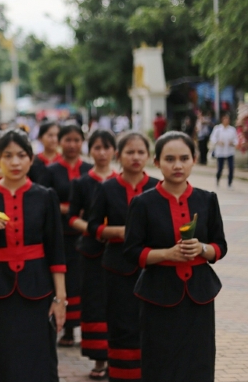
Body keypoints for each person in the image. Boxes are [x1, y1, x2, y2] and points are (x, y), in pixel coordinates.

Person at [123, 131, 227, 382]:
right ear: (157, 162)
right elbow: (132, 252)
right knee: (160, 360)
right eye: (169, 159)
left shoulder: (207, 200)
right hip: (158, 294)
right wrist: (166, 254)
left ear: (194, 159)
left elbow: (220, 246)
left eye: (184, 158)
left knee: (198, 361)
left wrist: (202, 248)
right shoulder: (143, 203)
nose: (177, 165)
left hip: (199, 296)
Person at [0, 129, 66, 382]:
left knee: (38, 353)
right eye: (8, 156)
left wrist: (61, 299)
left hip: (38, 288)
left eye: (21, 155)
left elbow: (56, 251)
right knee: (0, 353)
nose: (15, 162)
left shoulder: (46, 196)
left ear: (31, 159)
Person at [86, 132, 158, 382]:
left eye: (141, 152)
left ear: (149, 156)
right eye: (130, 152)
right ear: (119, 155)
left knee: (151, 323)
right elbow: (93, 227)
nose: (136, 157)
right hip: (117, 266)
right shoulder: (108, 188)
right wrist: (121, 232)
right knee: (120, 322)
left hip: (152, 266)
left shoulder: (156, 187)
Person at [66, 129, 117, 380]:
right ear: (91, 150)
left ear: (114, 151)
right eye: (97, 147)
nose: (102, 152)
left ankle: (119, 358)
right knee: (95, 303)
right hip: (92, 252)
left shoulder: (120, 181)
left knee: (119, 305)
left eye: (107, 147)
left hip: (121, 252)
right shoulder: (82, 182)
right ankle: (99, 359)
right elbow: (73, 217)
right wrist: (96, 230)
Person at [41, 125, 91, 344]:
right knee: (63, 277)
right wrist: (68, 210)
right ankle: (64, 327)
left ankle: (75, 326)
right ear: (61, 142)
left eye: (77, 140)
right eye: (68, 140)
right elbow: (44, 200)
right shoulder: (51, 170)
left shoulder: (89, 169)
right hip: (59, 231)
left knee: (81, 278)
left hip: (85, 232)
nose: (72, 145)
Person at [209, 113, 238, 189]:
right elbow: (212, 138)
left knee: (231, 168)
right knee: (220, 168)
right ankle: (218, 180)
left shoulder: (232, 130)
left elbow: (236, 140)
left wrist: (233, 143)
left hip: (229, 151)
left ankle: (229, 183)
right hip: (220, 152)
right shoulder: (217, 129)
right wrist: (218, 142)